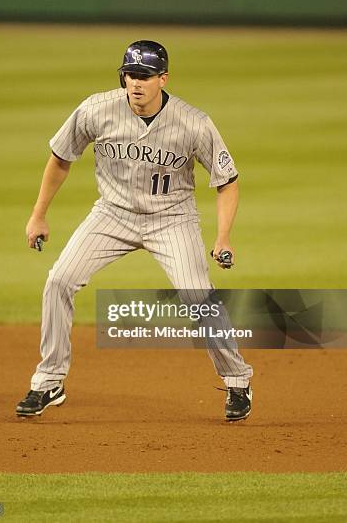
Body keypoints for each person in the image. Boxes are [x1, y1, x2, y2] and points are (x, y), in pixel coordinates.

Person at [16, 40, 253, 421]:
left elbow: (228, 181)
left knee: (198, 297)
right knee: (59, 280)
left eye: (144, 76)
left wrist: (223, 236)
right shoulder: (96, 109)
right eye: (129, 75)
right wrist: (38, 214)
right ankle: (48, 381)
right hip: (113, 214)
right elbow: (60, 158)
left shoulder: (193, 122)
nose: (135, 83)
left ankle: (238, 379)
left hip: (172, 218)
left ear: (163, 78)